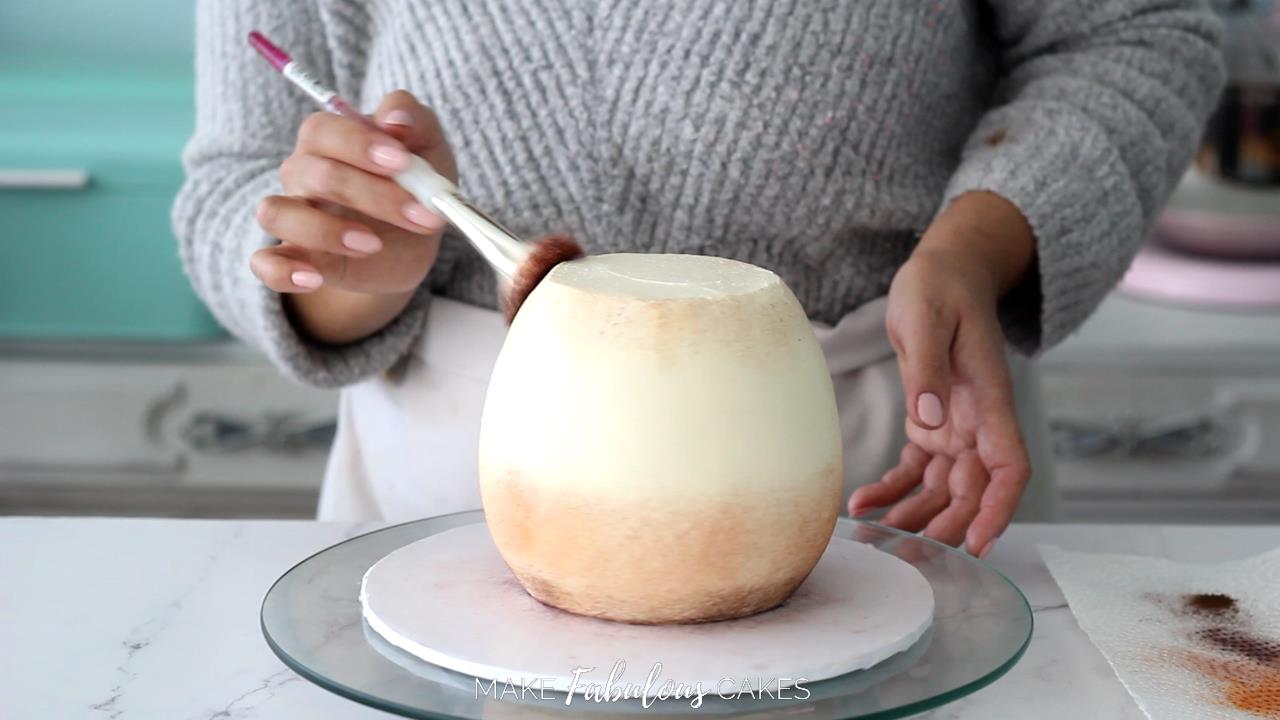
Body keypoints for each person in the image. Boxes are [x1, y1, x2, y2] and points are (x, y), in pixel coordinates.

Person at [173, 1, 1225, 557]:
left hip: (878, 469)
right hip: (450, 497)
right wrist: (350, 264)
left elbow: (1129, 35)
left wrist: (972, 246)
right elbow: (236, 185)